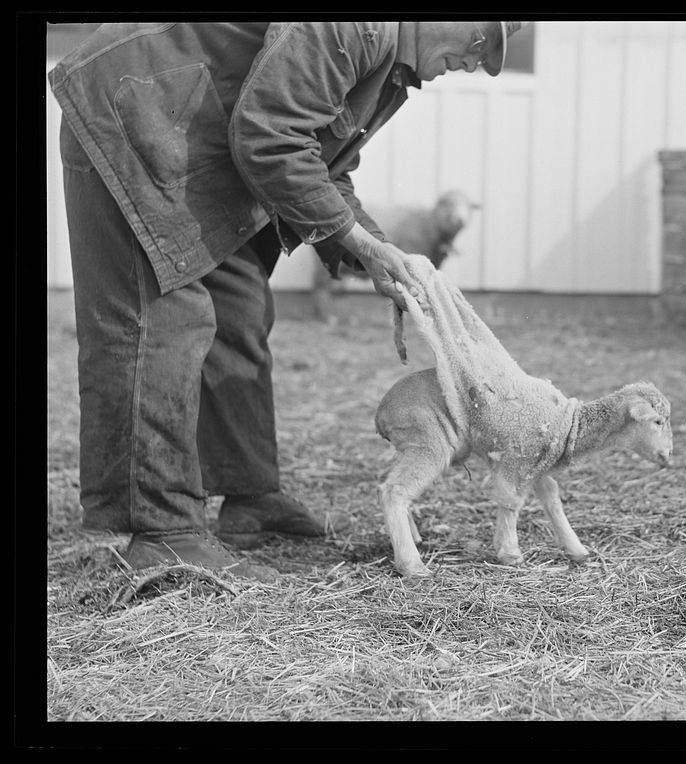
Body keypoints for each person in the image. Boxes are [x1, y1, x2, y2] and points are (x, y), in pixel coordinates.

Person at [48, 21, 526, 580]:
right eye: (480, 43)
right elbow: (270, 137)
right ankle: (162, 530)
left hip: (196, 140)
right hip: (139, 113)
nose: (476, 63)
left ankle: (247, 495)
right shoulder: (352, 25)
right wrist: (363, 245)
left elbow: (324, 164)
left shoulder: (390, 72)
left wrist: (374, 256)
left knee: (240, 310)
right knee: (159, 322)